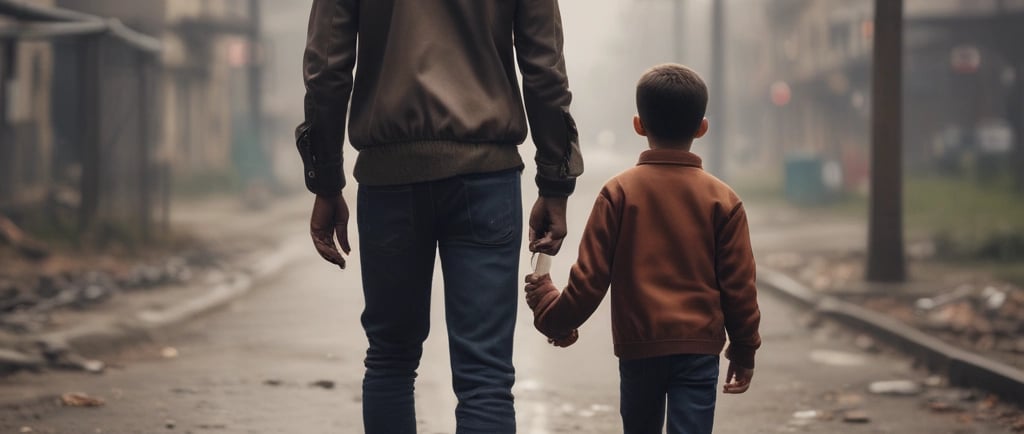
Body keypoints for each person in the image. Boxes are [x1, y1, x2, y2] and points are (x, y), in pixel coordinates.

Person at [296, 0, 583, 432]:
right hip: (487, 177)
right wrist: (555, 183)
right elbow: (544, 70)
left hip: (388, 177)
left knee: (391, 357)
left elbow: (326, 68)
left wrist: (326, 180)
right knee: (485, 373)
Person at [525, 64, 761, 434]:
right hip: (698, 350)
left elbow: (589, 280)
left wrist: (555, 316)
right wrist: (744, 349)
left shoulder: (618, 193)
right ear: (701, 128)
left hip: (639, 350)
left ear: (639, 125)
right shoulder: (723, 200)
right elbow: (740, 287)